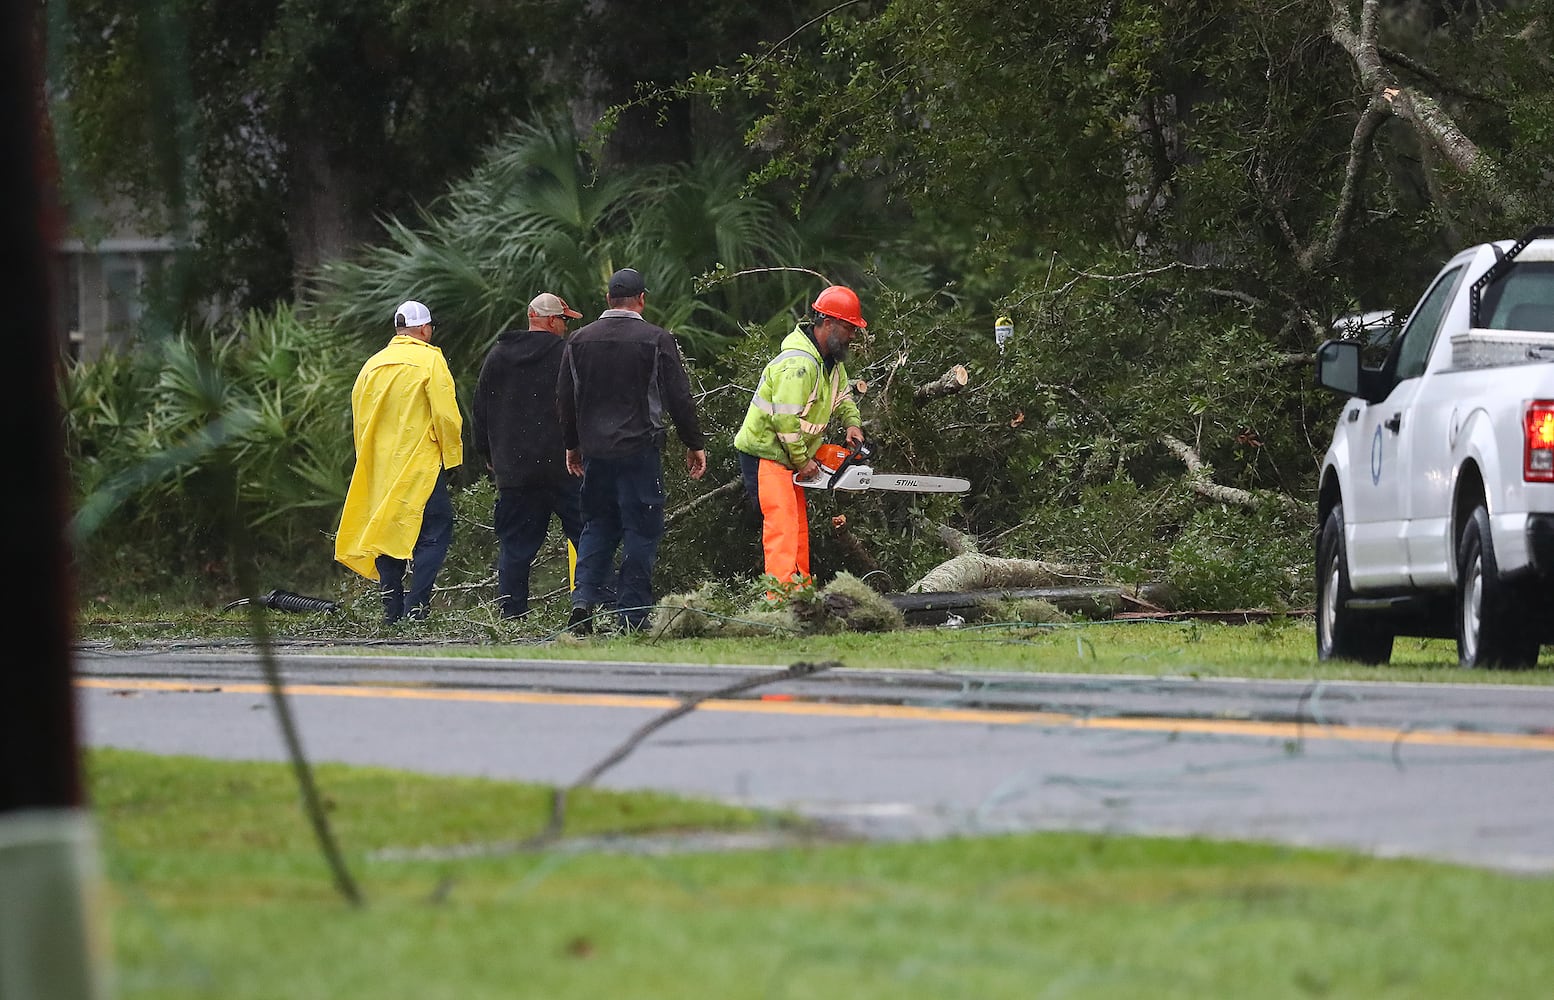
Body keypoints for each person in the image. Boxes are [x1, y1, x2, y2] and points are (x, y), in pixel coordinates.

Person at [557, 267, 707, 633]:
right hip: (640, 451)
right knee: (641, 530)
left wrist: (572, 445)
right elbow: (678, 396)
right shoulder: (656, 338)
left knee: (596, 526)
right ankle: (632, 615)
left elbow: (564, 399)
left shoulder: (577, 341)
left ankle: (584, 601)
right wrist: (694, 443)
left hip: (595, 453)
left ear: (608, 300)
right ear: (642, 299)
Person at [335, 300, 463, 624]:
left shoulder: (371, 366)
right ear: (424, 329)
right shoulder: (430, 361)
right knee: (435, 529)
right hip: (418, 465)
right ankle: (417, 609)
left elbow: (359, 420)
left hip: (379, 467)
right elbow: (446, 416)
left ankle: (391, 610)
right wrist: (453, 458)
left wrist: (366, 461)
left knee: (385, 533)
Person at [733, 285, 866, 589]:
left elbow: (843, 397)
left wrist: (852, 424)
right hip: (767, 452)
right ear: (828, 323)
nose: (852, 336)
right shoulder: (799, 364)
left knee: (797, 527)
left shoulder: (831, 362)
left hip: (790, 454)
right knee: (782, 527)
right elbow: (785, 421)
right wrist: (804, 461)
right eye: (849, 328)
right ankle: (779, 603)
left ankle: (800, 594)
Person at [471, 292, 586, 619]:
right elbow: (580, 405)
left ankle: (511, 614)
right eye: (563, 320)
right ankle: (591, 606)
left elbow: (480, 411)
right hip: (566, 468)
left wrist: (489, 454)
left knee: (515, 547)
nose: (565, 327)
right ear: (550, 320)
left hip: (516, 472)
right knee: (586, 536)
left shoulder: (497, 356)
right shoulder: (566, 354)